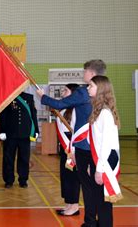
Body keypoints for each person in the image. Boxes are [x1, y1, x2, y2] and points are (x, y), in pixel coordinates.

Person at [37, 59, 106, 227]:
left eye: (85, 71)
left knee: (88, 187)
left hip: (84, 146)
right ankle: (96, 220)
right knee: (94, 187)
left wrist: (42, 96)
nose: (83, 75)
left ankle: (91, 220)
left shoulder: (83, 93)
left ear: (91, 74)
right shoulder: (105, 91)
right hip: (96, 144)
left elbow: (60, 104)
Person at [87, 75, 122, 226]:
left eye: (91, 86)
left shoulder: (105, 113)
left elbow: (106, 144)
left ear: (100, 89)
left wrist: (99, 169)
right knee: (98, 199)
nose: (88, 88)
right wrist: (92, 164)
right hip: (99, 157)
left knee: (104, 202)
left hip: (106, 159)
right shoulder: (98, 110)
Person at [0, 92, 39, 188]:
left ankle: (23, 179)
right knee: (8, 158)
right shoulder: (8, 96)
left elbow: (33, 114)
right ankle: (8, 180)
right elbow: (3, 114)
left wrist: (36, 130)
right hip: (10, 134)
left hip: (25, 134)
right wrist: (2, 130)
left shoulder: (29, 97)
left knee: (24, 159)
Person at [55, 84, 81, 216]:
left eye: (66, 90)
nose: (63, 92)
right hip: (64, 146)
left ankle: (75, 206)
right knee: (65, 176)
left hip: (72, 145)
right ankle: (69, 204)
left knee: (72, 177)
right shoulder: (63, 107)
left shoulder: (76, 109)